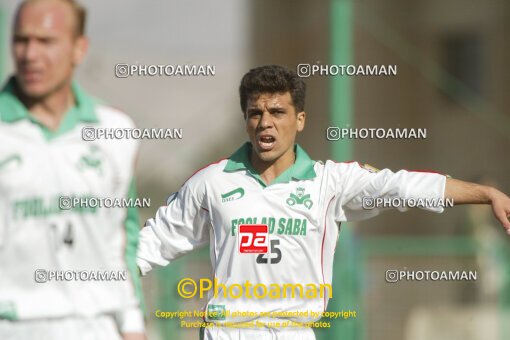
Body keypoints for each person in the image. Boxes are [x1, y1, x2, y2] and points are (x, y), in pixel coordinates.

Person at [136, 65, 510, 340]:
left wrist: (486, 194)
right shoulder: (212, 182)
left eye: (277, 112)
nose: (266, 122)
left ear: (300, 120)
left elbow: (401, 186)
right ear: (246, 120)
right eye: (255, 113)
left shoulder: (330, 182)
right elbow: (149, 244)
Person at [0, 1, 145, 339]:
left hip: (96, 325)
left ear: (79, 48)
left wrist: (133, 324)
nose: (30, 54)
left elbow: (122, 241)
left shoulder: (116, 131)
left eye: (46, 41)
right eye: (21, 40)